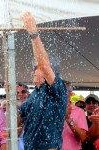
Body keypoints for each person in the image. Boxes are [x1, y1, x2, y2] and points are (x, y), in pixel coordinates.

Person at [18, 12, 68, 150]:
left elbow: (44, 65)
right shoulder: (33, 95)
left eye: (35, 68)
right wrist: (10, 99)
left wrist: (33, 32)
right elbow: (16, 123)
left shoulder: (57, 88)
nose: (32, 71)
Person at [62, 82, 88, 150]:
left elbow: (83, 138)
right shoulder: (50, 110)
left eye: (64, 90)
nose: (61, 93)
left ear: (70, 94)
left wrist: (68, 118)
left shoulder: (79, 111)